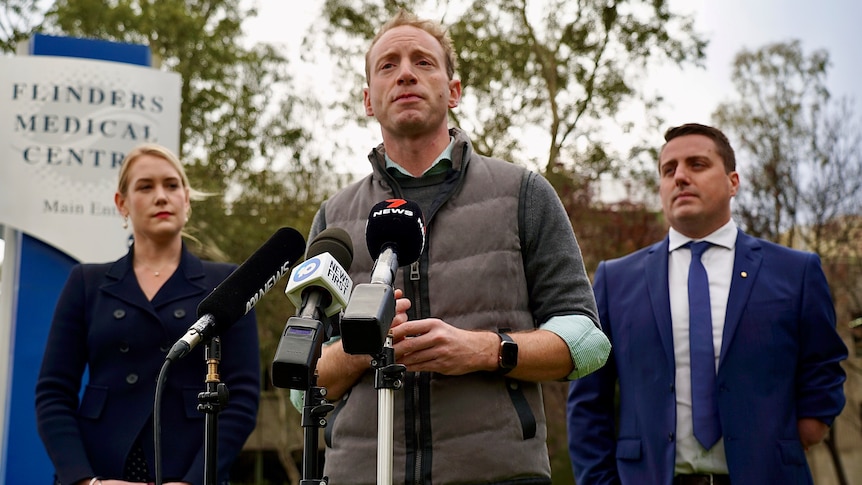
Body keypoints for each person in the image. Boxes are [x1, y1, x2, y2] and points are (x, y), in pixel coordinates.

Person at [303, 9, 611, 484]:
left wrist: (486, 350)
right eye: (388, 65)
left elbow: (588, 343)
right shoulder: (333, 219)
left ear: (454, 91)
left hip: (498, 473)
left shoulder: (523, 193)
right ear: (368, 99)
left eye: (423, 62)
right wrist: (363, 346)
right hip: (360, 473)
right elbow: (302, 390)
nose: (405, 72)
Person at [566, 123, 848, 485]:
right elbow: (588, 400)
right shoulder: (616, 280)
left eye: (697, 164)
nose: (680, 177)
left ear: (733, 182)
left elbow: (823, 364)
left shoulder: (796, 272)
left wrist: (803, 432)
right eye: (669, 170)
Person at [35, 144, 261, 485]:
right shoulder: (86, 282)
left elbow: (242, 397)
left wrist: (194, 480)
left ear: (186, 199)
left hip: (190, 470)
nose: (161, 196)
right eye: (145, 186)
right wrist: (84, 481)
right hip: (102, 469)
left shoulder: (228, 284)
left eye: (171, 186)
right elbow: (53, 393)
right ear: (121, 204)